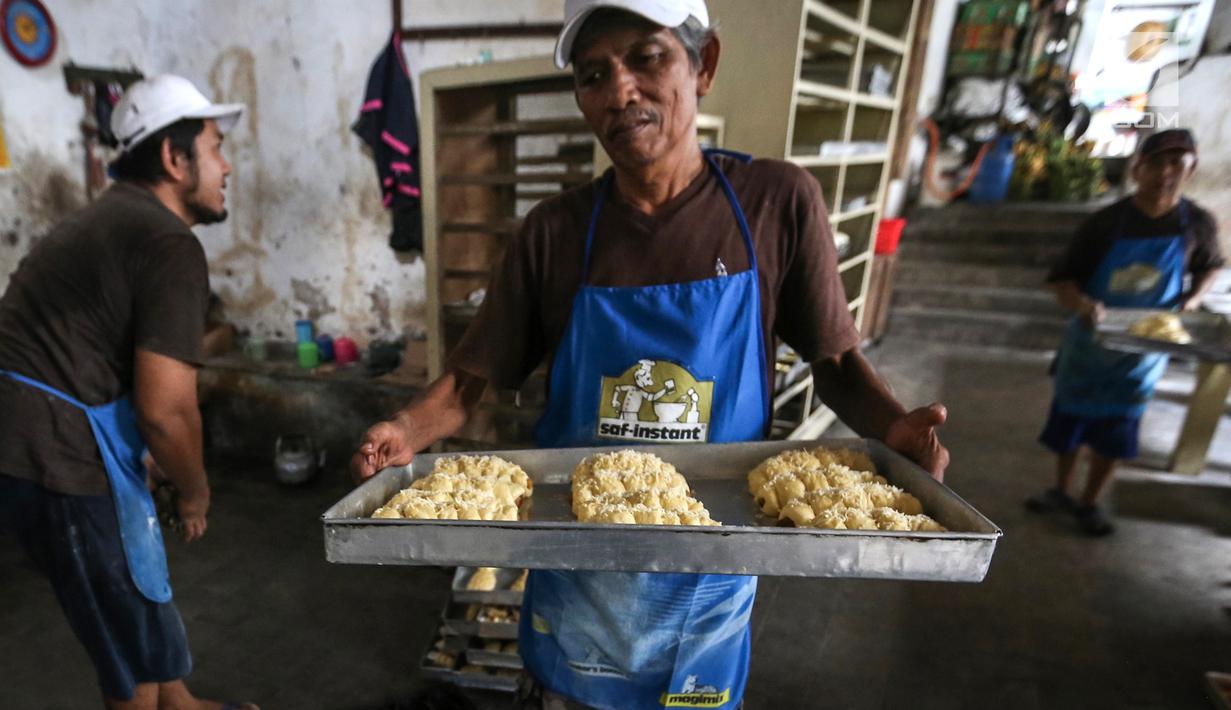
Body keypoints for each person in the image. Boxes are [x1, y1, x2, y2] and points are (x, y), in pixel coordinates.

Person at [352, 1, 949, 707]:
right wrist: (405, 432)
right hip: (580, 565)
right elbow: (465, 384)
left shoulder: (774, 202)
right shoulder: (553, 231)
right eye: (593, 74)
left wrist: (894, 429)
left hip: (708, 557)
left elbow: (837, 365)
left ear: (704, 65)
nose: (620, 90)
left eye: (647, 57)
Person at [0, 75, 258, 710]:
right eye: (217, 147)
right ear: (174, 159)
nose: (227, 168)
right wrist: (195, 490)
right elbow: (166, 410)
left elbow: (98, 359)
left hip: (41, 436)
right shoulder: (167, 244)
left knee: (139, 587)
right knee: (125, 648)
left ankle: (184, 705)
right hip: (54, 456)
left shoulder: (110, 214)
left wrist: (143, 458)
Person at [1027, 129, 1223, 536]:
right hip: (1089, 344)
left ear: (1191, 170)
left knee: (1116, 429)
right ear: (1138, 169)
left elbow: (1211, 265)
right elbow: (1063, 280)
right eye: (1157, 163)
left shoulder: (1196, 224)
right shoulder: (1105, 223)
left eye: (1177, 164)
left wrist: (1193, 298)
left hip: (1143, 352)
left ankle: (1090, 501)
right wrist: (1083, 304)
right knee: (1070, 423)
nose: (1165, 173)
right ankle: (1061, 489)